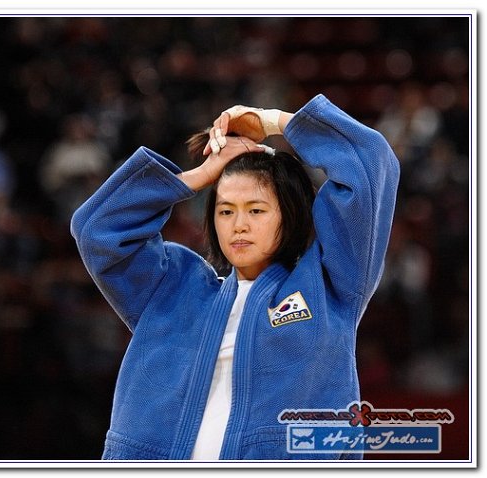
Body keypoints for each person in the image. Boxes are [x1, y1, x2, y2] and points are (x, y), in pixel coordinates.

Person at [70, 94, 400, 460]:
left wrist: (272, 121)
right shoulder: (174, 288)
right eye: (226, 211)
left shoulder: (330, 283)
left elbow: (370, 161)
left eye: (256, 210)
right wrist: (200, 176)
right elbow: (97, 231)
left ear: (289, 215)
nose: (239, 225)